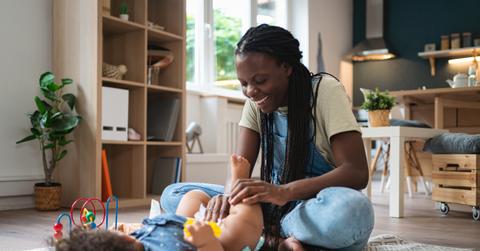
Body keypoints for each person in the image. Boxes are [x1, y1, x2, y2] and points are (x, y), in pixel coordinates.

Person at [161, 24, 374, 250]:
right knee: (173, 194)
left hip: (313, 205)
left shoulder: (324, 91)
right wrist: (226, 196)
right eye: (244, 83)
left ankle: (257, 235)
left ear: (286, 67)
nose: (251, 91)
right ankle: (278, 241)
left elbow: (357, 172)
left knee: (354, 211)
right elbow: (239, 168)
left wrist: (285, 192)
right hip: (271, 202)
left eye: (260, 80)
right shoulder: (254, 104)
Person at [53, 155, 264, 251]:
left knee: (191, 195)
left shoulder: (134, 238)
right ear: (125, 244)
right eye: (116, 234)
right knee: (240, 229)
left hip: (184, 223)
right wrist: (206, 242)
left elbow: (147, 229)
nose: (122, 232)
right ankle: (240, 179)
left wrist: (131, 228)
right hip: (218, 241)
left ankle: (225, 202)